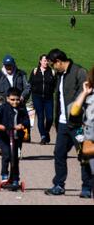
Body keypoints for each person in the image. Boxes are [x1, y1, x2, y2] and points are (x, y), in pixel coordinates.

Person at [44, 48, 92, 198]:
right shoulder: (60, 75)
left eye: (53, 64)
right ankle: (59, 184)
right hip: (63, 123)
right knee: (59, 153)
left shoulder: (79, 72)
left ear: (58, 62)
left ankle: (87, 187)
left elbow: (86, 95)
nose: (52, 67)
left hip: (78, 124)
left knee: (84, 155)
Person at [0, 87, 30, 189]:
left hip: (16, 137)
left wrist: (22, 125)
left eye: (17, 99)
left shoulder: (22, 108)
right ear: (7, 99)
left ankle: (15, 178)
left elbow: (27, 121)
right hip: (3, 136)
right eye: (12, 99)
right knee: (7, 154)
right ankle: (4, 175)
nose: (15, 102)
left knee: (15, 158)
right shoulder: (3, 107)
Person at [70, 67, 94, 199]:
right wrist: (84, 93)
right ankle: (86, 187)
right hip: (88, 136)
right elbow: (73, 113)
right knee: (86, 162)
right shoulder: (88, 96)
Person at [29, 54, 56, 144]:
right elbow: (30, 84)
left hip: (48, 98)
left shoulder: (52, 72)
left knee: (50, 118)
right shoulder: (35, 71)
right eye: (44, 60)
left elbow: (55, 85)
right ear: (40, 61)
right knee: (40, 117)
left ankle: (46, 131)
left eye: (47, 61)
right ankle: (43, 136)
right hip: (37, 97)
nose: (46, 62)